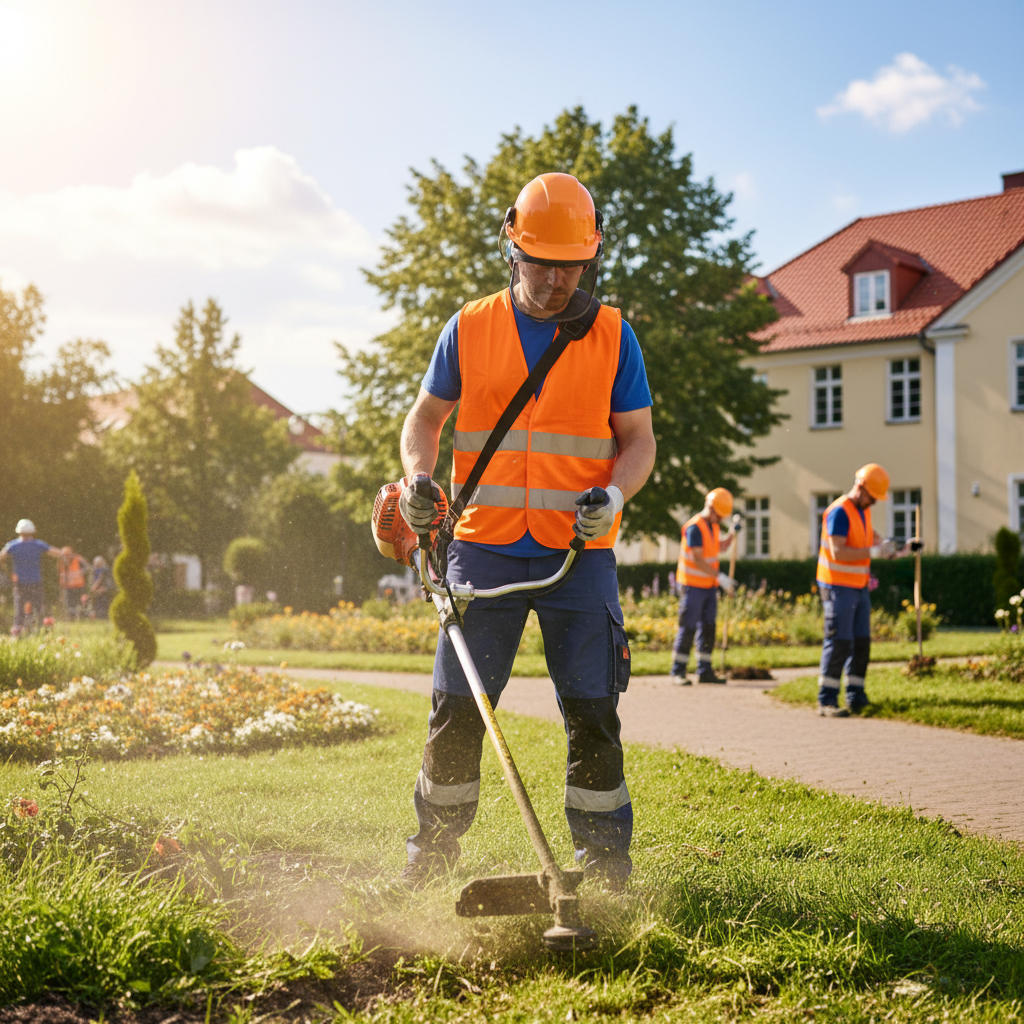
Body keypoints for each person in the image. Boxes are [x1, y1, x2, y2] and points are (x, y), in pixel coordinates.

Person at [397, 172, 656, 890]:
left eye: (571, 264)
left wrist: (613, 490)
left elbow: (639, 440)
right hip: (482, 546)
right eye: (542, 262)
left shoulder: (613, 335)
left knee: (594, 713)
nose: (555, 279)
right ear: (512, 247)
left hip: (580, 554)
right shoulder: (470, 326)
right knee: (458, 709)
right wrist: (422, 480)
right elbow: (424, 420)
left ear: (591, 255)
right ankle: (433, 855)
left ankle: (604, 867)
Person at [816, 463, 907, 717]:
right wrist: (875, 551)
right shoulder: (839, 512)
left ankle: (856, 695)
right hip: (837, 587)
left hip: (857, 587)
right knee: (839, 642)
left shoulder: (862, 510)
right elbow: (837, 550)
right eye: (873, 497)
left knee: (861, 642)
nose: (875, 503)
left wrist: (898, 547)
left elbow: (872, 538)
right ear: (861, 488)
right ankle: (827, 700)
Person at [670, 489, 739, 684]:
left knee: (708, 628)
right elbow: (698, 559)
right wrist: (721, 577)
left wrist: (733, 532)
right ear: (710, 507)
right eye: (719, 515)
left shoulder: (713, 526)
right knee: (688, 627)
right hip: (692, 587)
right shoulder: (694, 528)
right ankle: (678, 671)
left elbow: (721, 547)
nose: (720, 519)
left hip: (708, 587)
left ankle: (705, 671)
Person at [0, 520, 69, 635]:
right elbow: (56, 552)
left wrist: (8, 572)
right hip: (35, 582)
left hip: (20, 583)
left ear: (19, 532)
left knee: (19, 608)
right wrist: (65, 555)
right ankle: (42, 630)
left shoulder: (13, 545)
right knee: (39, 607)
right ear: (32, 531)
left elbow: (2, 556)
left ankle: (17, 631)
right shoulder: (38, 544)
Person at [59, 549, 89, 619]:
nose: (66, 557)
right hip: (68, 587)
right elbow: (62, 575)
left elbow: (87, 567)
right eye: (64, 556)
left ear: (71, 554)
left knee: (81, 602)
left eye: (67, 555)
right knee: (70, 604)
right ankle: (71, 618)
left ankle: (83, 617)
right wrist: (62, 586)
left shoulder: (78, 559)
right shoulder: (62, 562)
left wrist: (82, 571)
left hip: (79, 586)